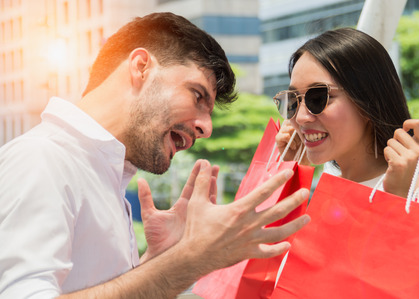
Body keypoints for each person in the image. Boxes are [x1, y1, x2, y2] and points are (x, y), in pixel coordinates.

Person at [0, 12, 312, 298]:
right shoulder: (42, 159)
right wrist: (189, 259)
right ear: (141, 67)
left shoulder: (99, 170)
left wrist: (157, 260)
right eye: (197, 95)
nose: (207, 128)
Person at [274, 27, 419, 196]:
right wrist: (294, 173)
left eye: (318, 98)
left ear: (367, 101)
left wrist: (398, 196)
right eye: (293, 100)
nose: (302, 117)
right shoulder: (329, 183)